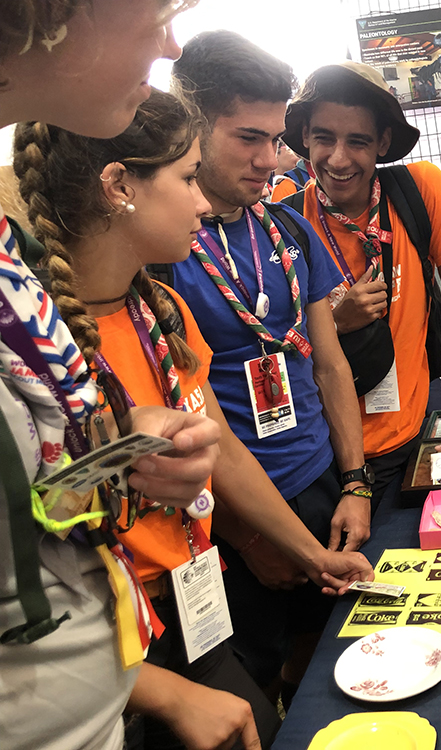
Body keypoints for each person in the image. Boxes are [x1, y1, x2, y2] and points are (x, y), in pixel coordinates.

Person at [14, 89, 374, 749]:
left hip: (190, 609)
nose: (204, 202)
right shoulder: (31, 348)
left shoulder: (160, 312)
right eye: (186, 179)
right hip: (100, 655)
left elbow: (225, 455)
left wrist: (313, 555)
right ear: (119, 186)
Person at [0, 3, 260, 749]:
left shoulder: (62, 298)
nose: (172, 40)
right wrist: (163, 692)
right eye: (157, 11)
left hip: (116, 672)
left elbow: (40, 500)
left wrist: (109, 449)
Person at [169, 31, 371, 705]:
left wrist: (355, 483)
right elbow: (189, 422)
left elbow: (332, 367)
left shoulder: (289, 231)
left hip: (317, 486)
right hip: (229, 520)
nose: (271, 157)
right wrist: (245, 533)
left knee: (324, 658)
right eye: (247, 138)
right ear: (193, 126)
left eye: (277, 137)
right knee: (244, 686)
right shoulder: (163, 249)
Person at [281, 61, 441, 506]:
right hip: (324, 459)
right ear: (306, 136)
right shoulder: (284, 219)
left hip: (413, 437)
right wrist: (334, 321)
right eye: (324, 138)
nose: (339, 158)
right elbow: (276, 345)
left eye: (358, 141)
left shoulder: (419, 190)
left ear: (383, 143)